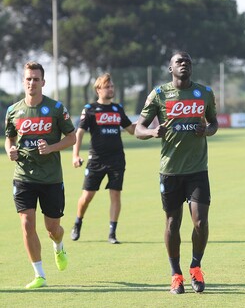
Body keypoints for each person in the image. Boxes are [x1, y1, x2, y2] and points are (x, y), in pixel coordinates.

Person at [135, 51, 218, 294]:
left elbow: (214, 124)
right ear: (170, 68)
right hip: (170, 171)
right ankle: (176, 274)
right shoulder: (159, 94)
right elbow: (138, 128)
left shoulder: (204, 93)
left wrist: (207, 130)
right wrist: (152, 132)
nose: (184, 65)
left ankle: (195, 267)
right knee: (173, 222)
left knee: (200, 222)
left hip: (197, 169)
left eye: (188, 62)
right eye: (179, 62)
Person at [4, 62, 76, 289]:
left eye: (36, 79)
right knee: (26, 224)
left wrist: (52, 148)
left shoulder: (56, 108)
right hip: (24, 176)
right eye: (28, 79)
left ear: (43, 82)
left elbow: (72, 137)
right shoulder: (13, 110)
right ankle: (40, 275)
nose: (32, 82)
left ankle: (59, 245)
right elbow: (10, 138)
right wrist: (10, 151)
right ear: (23, 81)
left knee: (52, 229)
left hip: (51, 178)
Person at [71, 73, 135, 244]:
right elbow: (80, 133)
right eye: (107, 86)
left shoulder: (117, 109)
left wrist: (150, 128)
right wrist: (75, 155)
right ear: (98, 89)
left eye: (112, 86)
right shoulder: (90, 109)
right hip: (96, 160)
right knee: (87, 196)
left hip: (117, 159)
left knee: (115, 195)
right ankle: (78, 222)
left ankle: (112, 233)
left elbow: (131, 129)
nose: (111, 89)